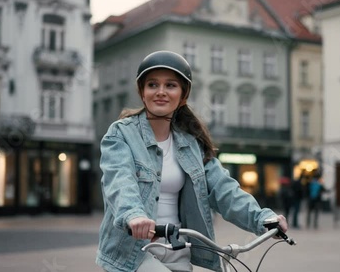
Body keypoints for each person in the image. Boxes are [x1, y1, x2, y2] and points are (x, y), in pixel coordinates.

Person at [96, 51, 288, 272]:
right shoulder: (121, 134)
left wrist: (263, 219)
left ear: (183, 95)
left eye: (170, 85)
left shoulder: (190, 144)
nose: (160, 92)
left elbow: (224, 190)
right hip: (134, 252)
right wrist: (134, 216)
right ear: (142, 92)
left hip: (179, 247)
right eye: (152, 85)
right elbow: (119, 181)